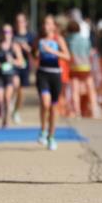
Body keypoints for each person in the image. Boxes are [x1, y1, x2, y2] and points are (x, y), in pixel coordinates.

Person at [35, 15, 71, 150]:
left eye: (49, 23)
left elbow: (67, 56)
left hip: (55, 74)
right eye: (44, 23)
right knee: (45, 103)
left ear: (53, 26)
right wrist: (36, 52)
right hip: (42, 73)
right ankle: (43, 130)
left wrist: (53, 51)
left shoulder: (58, 39)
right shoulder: (39, 39)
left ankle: (51, 137)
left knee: (53, 107)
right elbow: (34, 54)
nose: (46, 26)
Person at [0, 24, 25, 129]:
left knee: (7, 98)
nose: (6, 34)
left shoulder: (14, 46)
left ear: (11, 33)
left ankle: (5, 121)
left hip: (9, 75)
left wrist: (12, 61)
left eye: (8, 32)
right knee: (0, 100)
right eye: (4, 32)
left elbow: (22, 62)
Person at [68, 19, 100, 118]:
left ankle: (77, 112)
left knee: (75, 90)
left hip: (74, 67)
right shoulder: (85, 40)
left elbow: (69, 54)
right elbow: (89, 53)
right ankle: (95, 110)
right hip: (86, 67)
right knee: (91, 89)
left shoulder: (69, 40)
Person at [12, 12, 36, 124]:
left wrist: (27, 48)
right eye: (17, 21)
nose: (19, 23)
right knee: (15, 84)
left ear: (26, 23)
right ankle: (10, 101)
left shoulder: (30, 36)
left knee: (22, 93)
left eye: (21, 21)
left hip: (25, 66)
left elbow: (35, 53)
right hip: (14, 65)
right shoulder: (12, 35)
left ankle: (16, 111)